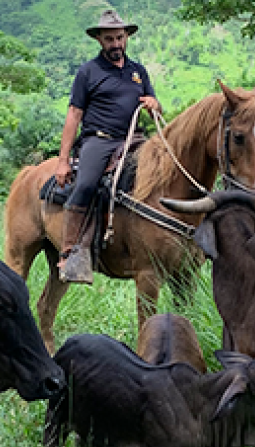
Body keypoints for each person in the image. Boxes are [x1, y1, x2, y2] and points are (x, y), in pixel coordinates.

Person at [55, 9, 161, 284]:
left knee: (163, 172)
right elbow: (74, 115)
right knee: (87, 184)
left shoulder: (138, 71)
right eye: (109, 39)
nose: (116, 44)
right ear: (100, 41)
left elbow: (156, 109)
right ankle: (70, 252)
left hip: (135, 139)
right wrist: (63, 160)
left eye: (119, 38)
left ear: (127, 38)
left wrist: (153, 105)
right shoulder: (88, 71)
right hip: (99, 140)